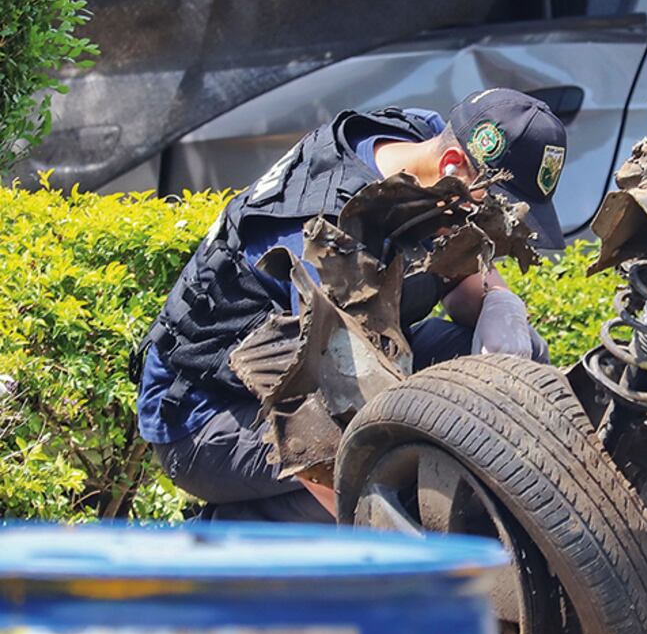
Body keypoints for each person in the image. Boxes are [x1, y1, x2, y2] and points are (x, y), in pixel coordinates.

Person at [133, 88, 567, 522]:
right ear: (452, 166)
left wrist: (499, 301)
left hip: (351, 350)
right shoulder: (329, 241)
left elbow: (462, 267)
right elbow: (315, 422)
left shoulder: (424, 139)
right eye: (492, 207)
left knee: (512, 366)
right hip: (208, 412)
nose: (497, 225)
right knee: (374, 476)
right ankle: (234, 545)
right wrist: (402, 541)